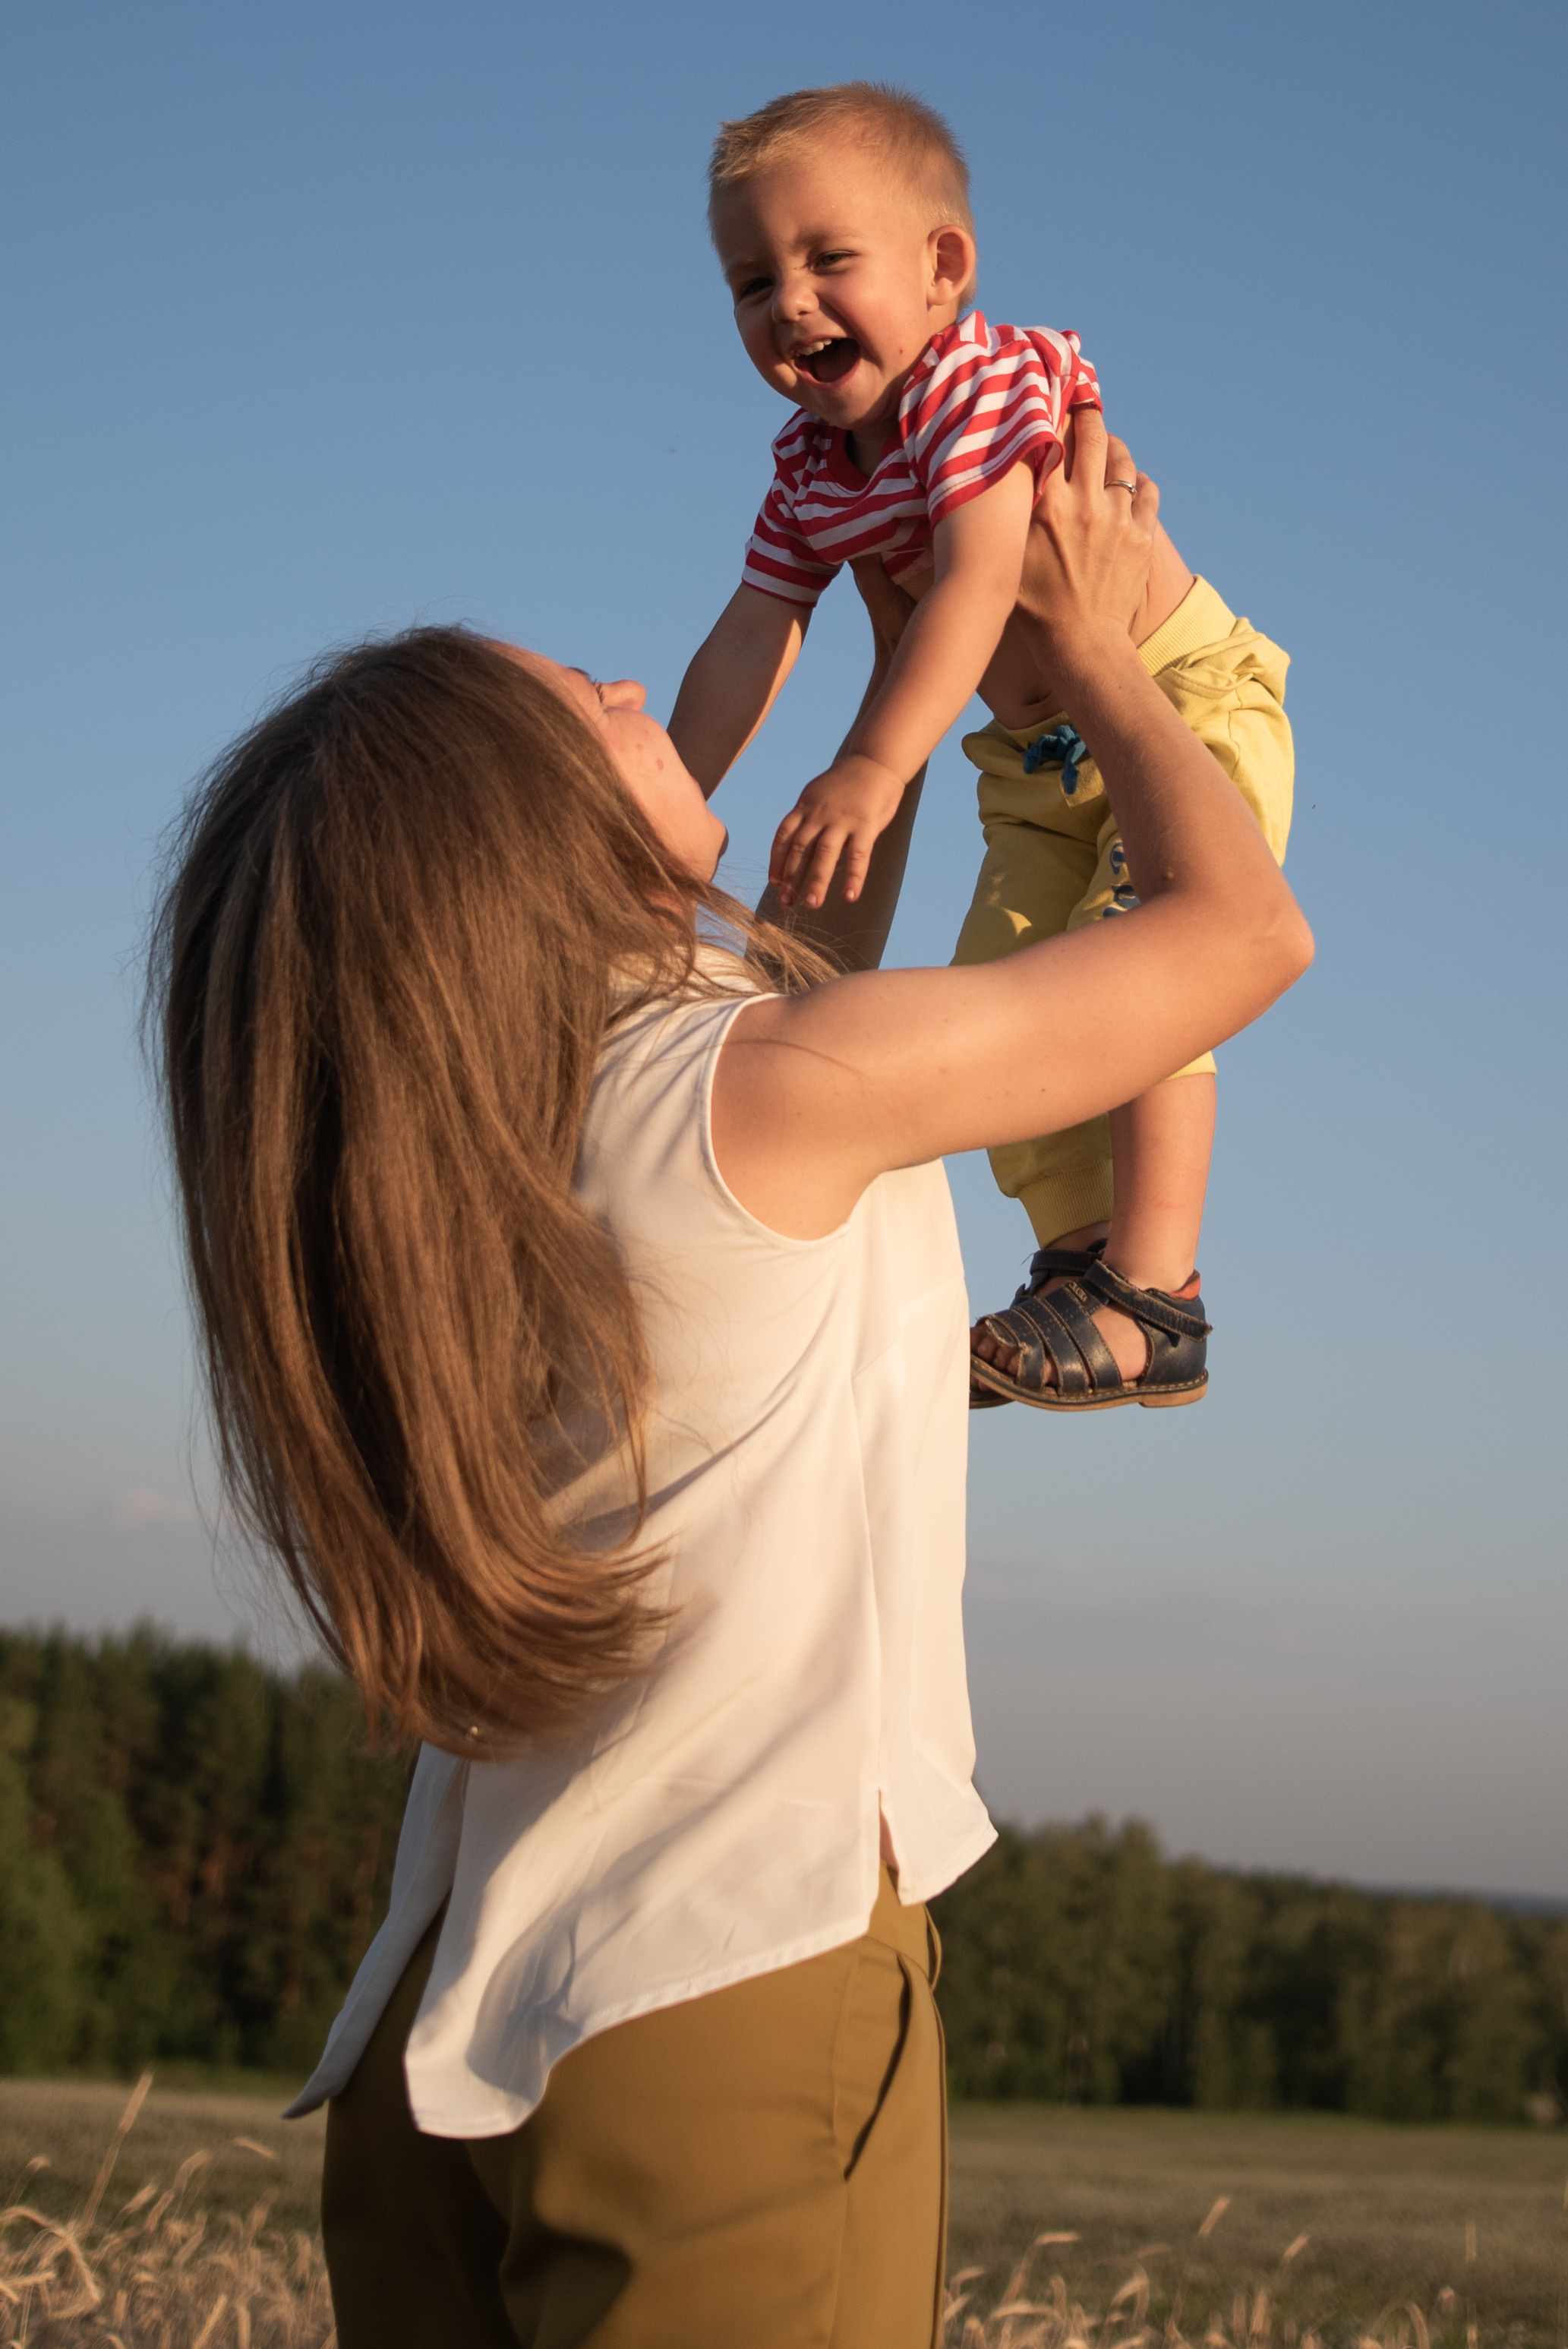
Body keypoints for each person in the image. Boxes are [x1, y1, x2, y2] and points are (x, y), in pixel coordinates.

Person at [147, 412, 1310, 2348]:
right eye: (591, 705)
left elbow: (798, 954)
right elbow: (1236, 934)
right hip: (727, 1991)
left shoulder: (492, 1141)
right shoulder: (762, 1095)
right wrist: (1100, 650)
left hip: (444, 2027)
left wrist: (920, 647)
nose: (637, 685)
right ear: (535, 839)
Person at [669, 82, 1295, 1412]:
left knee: (1145, 967)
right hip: (1031, 766)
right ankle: (1075, 1264)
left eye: (828, 260)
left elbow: (973, 579)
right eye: (749, 281)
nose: (788, 304)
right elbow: (750, 631)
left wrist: (876, 763)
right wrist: (668, 792)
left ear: (942, 267)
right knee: (1007, 990)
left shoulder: (982, 378)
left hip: (1176, 705)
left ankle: (1157, 1289)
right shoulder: (811, 464)